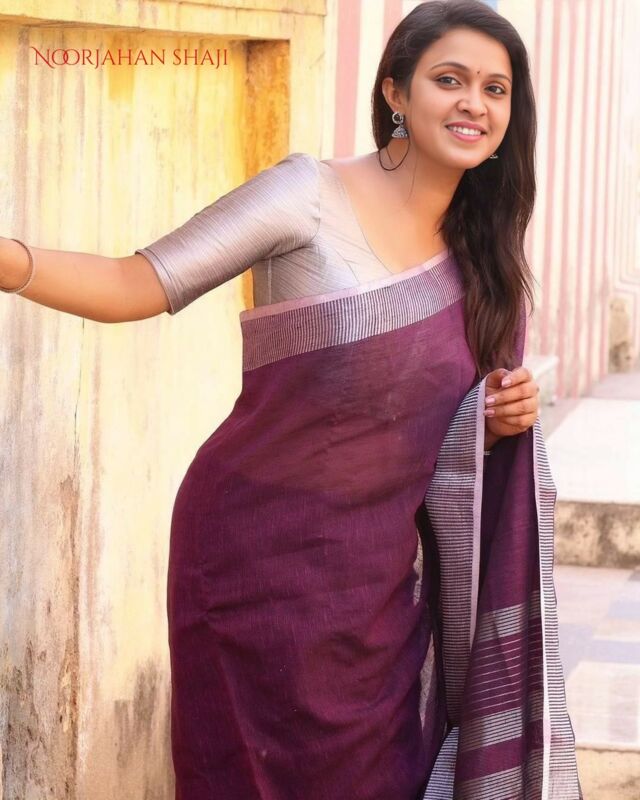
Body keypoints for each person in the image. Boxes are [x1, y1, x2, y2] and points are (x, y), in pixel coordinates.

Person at [1, 1, 584, 798]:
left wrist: (489, 421)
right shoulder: (306, 195)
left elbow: (428, 423)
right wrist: (9, 260)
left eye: (495, 88)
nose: (473, 104)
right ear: (395, 92)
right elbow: (136, 282)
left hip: (379, 588)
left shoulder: (486, 257)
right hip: (253, 561)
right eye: (449, 79)